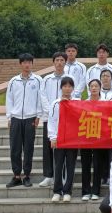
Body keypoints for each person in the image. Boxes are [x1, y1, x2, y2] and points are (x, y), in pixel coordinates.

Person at [5, 53, 43, 188]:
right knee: (14, 148)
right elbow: (9, 99)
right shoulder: (13, 81)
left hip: (30, 118)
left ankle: (26, 175)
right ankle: (16, 175)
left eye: (29, 62)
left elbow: (40, 99)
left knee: (28, 148)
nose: (27, 65)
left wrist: (38, 115)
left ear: (32, 64)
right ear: (20, 64)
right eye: (24, 62)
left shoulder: (38, 80)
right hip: (16, 118)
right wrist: (9, 117)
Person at [39, 51, 67, 187]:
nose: (59, 62)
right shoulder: (46, 79)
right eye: (57, 60)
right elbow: (43, 96)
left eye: (62, 60)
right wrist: (50, 110)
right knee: (48, 147)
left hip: (65, 119)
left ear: (65, 62)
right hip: (49, 117)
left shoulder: (68, 78)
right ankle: (48, 175)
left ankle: (61, 175)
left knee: (63, 148)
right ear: (53, 62)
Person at [48, 76, 77, 201]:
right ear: (61, 88)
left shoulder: (77, 102)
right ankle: (57, 191)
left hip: (73, 139)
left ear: (73, 88)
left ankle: (67, 191)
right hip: (59, 138)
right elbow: (52, 121)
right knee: (58, 165)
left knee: (71, 165)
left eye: (69, 86)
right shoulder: (56, 103)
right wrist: (53, 137)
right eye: (65, 86)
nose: (67, 88)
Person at [80, 79, 104, 201]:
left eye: (96, 86)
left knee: (97, 165)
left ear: (100, 88)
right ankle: (85, 191)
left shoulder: (105, 103)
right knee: (85, 164)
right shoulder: (83, 103)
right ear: (89, 89)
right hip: (86, 138)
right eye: (92, 86)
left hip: (99, 138)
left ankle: (95, 191)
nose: (94, 88)